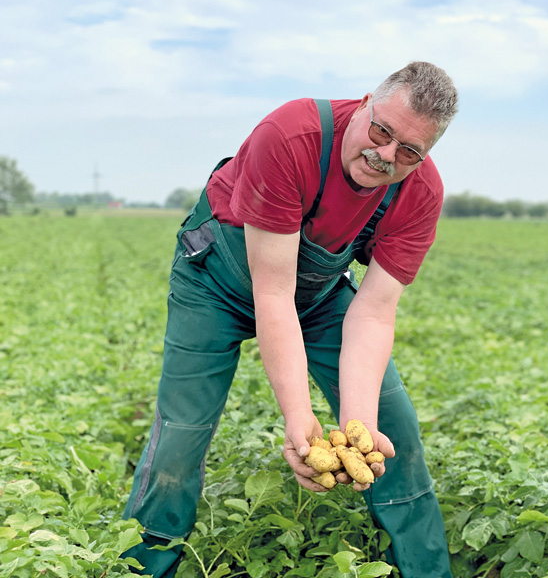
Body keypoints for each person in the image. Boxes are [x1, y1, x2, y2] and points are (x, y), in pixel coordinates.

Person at [121, 61, 459, 577]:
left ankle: (424, 570)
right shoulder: (291, 136)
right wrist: (299, 420)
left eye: (409, 151)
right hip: (215, 279)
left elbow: (372, 312)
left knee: (394, 427)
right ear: (365, 102)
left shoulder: (420, 194)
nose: (386, 155)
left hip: (318, 293)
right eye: (381, 131)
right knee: (183, 428)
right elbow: (272, 291)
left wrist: (359, 421)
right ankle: (141, 565)